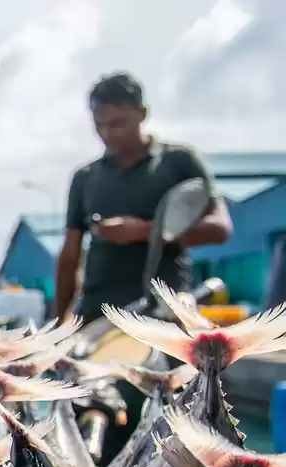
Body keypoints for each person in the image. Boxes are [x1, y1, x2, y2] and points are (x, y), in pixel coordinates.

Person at [55, 72, 233, 324]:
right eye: (99, 125)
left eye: (118, 123)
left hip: (166, 312)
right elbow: (70, 256)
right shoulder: (85, 178)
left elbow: (220, 229)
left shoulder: (178, 162)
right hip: (99, 315)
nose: (108, 133)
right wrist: (58, 323)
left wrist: (143, 231)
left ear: (143, 113)